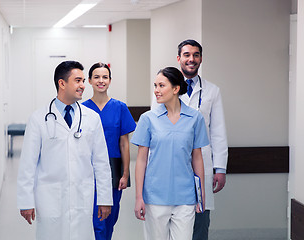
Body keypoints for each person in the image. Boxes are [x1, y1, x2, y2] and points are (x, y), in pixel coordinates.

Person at [17, 61, 113, 240]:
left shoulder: (92, 118)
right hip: (50, 196)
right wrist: (25, 201)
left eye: (84, 80)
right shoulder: (39, 119)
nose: (83, 86)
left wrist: (105, 198)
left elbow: (101, 162)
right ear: (62, 83)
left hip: (82, 196)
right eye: (78, 80)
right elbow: (27, 164)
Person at [131, 66, 209, 240]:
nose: (156, 91)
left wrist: (201, 193)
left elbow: (197, 157)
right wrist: (138, 197)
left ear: (176, 89)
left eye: (161, 86)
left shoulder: (195, 118)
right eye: (155, 85)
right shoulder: (148, 119)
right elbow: (141, 160)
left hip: (185, 196)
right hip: (155, 196)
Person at [176, 39, 228, 240]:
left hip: (203, 164)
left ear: (201, 59)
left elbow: (218, 132)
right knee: (176, 221)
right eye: (187, 55)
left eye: (195, 55)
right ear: (179, 58)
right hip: (174, 163)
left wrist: (220, 168)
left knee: (200, 223)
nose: (191, 59)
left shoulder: (212, 91)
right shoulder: (165, 87)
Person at [82, 62, 136, 240]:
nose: (101, 80)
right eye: (96, 77)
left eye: (105, 77)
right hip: (88, 170)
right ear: (89, 80)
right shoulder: (82, 110)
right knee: (95, 220)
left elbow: (124, 143)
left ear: (110, 80)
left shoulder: (120, 107)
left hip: (113, 169)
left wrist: (125, 174)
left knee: (109, 219)